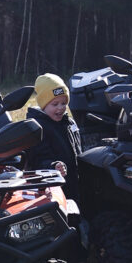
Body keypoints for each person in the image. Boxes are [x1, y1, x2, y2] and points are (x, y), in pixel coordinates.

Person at [24, 73, 83, 201]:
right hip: (54, 187)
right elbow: (38, 158)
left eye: (64, 103)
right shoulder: (38, 128)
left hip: (74, 182)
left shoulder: (69, 122)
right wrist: (52, 167)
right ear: (43, 105)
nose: (61, 108)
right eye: (55, 104)